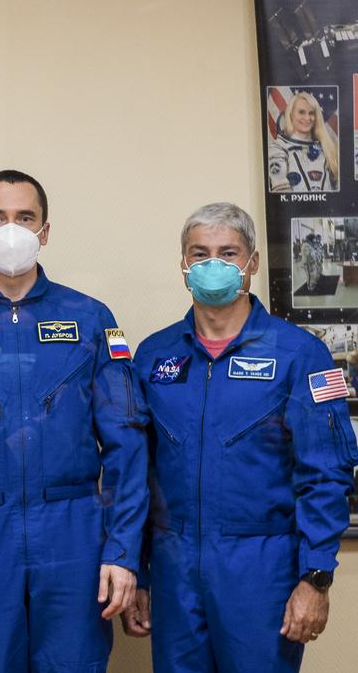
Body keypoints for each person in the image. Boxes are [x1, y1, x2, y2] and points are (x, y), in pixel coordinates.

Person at [0, 169, 148, 672]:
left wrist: (123, 552)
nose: (10, 230)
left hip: (75, 533)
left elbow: (128, 448)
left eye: (24, 217)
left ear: (45, 231)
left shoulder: (90, 320)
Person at [121, 202, 358, 672]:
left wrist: (316, 578)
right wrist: (140, 574)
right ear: (183, 265)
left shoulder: (300, 355)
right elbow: (135, 476)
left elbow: (326, 475)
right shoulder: (154, 356)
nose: (214, 264)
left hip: (262, 568)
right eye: (200, 252)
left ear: (251, 264)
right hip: (174, 569)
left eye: (228, 253)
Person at [268, 91, 339, 193]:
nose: (307, 118)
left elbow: (338, 189)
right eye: (301, 112)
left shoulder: (327, 148)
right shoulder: (278, 148)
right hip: (296, 208)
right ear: (291, 114)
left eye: (311, 113)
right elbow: (281, 192)